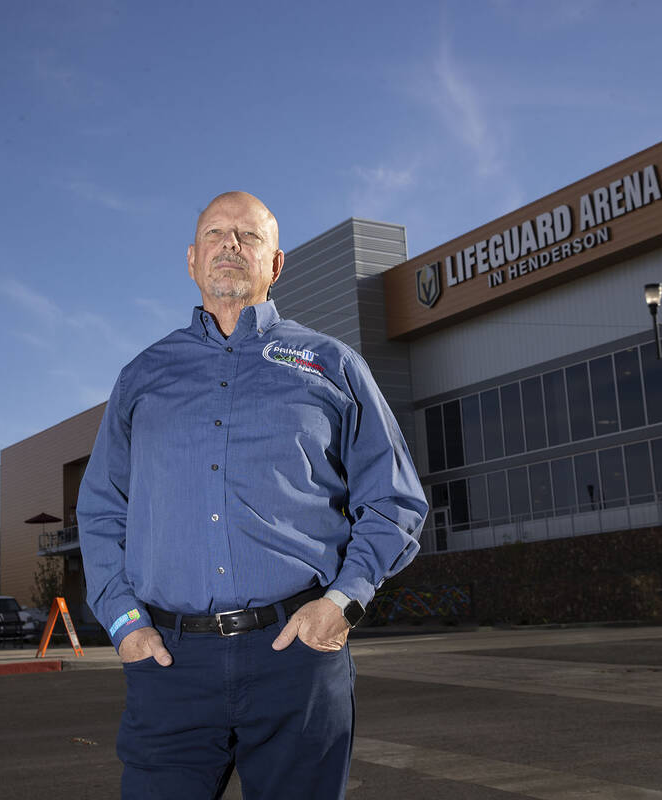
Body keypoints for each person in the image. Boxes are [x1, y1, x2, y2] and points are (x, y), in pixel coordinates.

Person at [78, 191, 428, 799]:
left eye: (248, 236)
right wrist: (125, 623)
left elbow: (394, 499)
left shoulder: (331, 364)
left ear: (277, 263)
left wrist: (342, 602)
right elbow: (103, 508)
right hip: (170, 665)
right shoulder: (142, 377)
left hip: (297, 653)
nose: (231, 246)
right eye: (216, 234)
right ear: (192, 260)